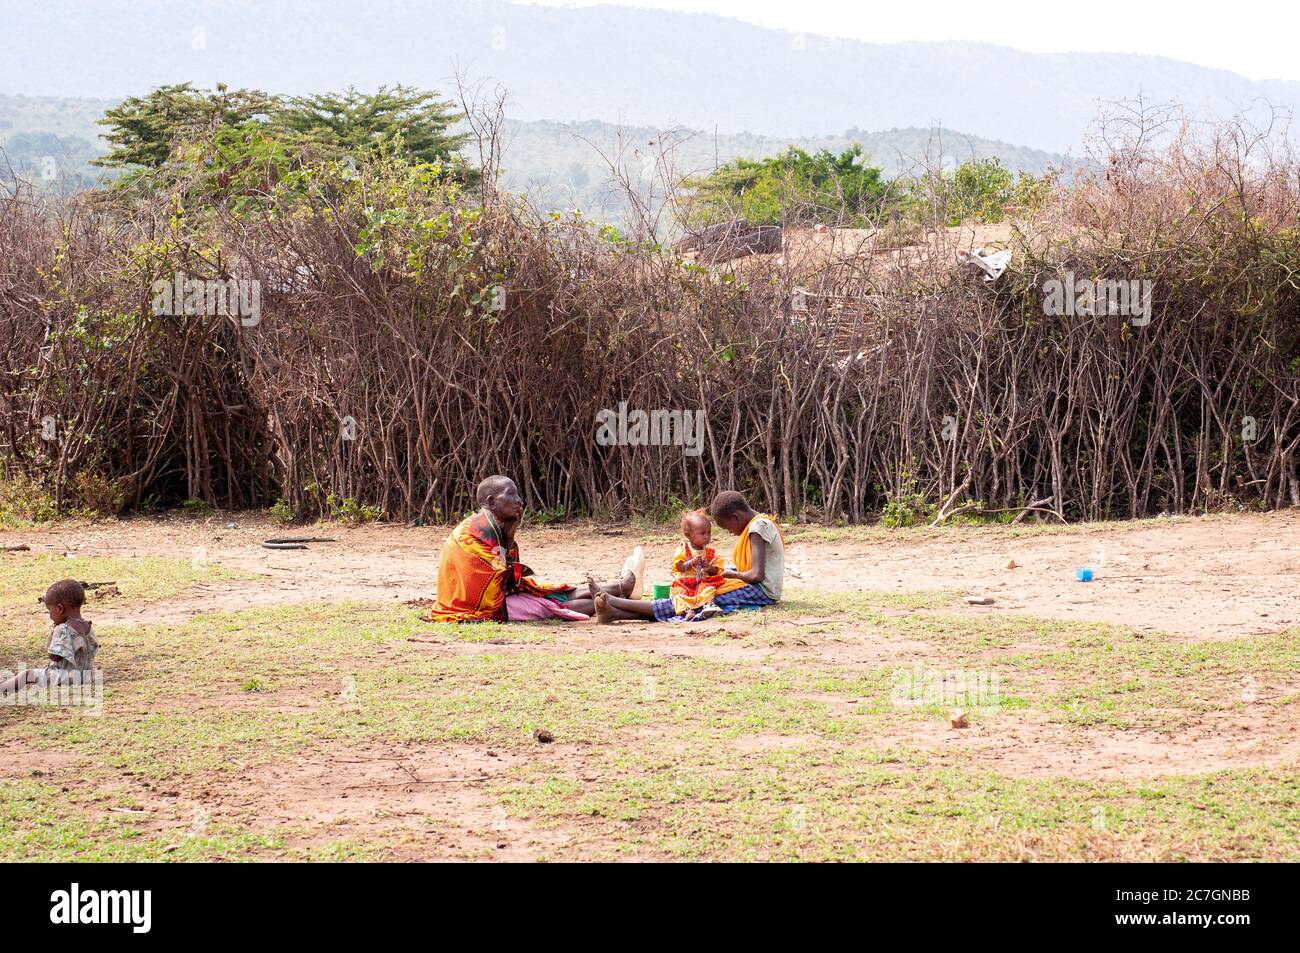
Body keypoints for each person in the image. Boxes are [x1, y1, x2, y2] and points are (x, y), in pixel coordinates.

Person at [424, 475, 637, 622]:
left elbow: (504, 573)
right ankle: (620, 596)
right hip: (480, 606)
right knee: (549, 605)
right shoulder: (485, 528)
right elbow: (503, 578)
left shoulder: (487, 523)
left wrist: (509, 534)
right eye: (511, 495)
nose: (519, 501)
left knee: (551, 594)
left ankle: (620, 590)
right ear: (491, 501)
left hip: (489, 598)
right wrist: (509, 537)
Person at [594, 490, 784, 623]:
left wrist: (730, 574)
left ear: (736, 516)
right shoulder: (760, 521)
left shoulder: (757, 528)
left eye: (727, 528)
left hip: (760, 591)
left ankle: (614, 601)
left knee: (697, 598)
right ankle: (613, 613)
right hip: (753, 584)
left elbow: (757, 575)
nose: (731, 533)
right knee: (698, 591)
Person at [0, 579, 99, 696]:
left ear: (60, 609)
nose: (50, 615)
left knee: (27, 674)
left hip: (66, 677)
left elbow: (55, 657)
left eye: (49, 611)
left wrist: (53, 636)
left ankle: (3, 687)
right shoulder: (88, 626)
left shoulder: (63, 629)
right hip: (86, 676)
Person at [669, 510, 726, 621]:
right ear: (688, 535)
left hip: (702, 582)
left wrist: (709, 567)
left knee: (709, 589)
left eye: (709, 533)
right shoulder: (683, 549)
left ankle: (709, 605)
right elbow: (679, 567)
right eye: (702, 533)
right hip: (685, 582)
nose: (707, 537)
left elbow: (716, 571)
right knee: (678, 595)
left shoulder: (710, 552)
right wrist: (691, 562)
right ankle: (687, 611)